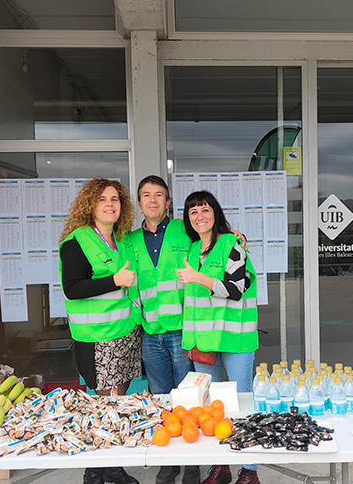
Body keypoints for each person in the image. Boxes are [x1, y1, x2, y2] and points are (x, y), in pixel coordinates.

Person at [59, 178, 142, 484]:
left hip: (124, 333)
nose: (110, 204)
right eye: (102, 200)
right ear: (90, 206)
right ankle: (98, 470)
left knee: (117, 403)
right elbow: (72, 289)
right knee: (103, 405)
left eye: (115, 199)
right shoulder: (77, 242)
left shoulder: (119, 241)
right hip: (97, 338)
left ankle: (107, 466)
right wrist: (114, 280)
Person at [176, 190, 260, 484]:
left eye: (205, 210)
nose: (200, 216)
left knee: (240, 405)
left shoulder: (232, 244)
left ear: (216, 213)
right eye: (193, 212)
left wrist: (198, 277)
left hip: (235, 339)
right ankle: (220, 464)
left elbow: (236, 289)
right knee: (210, 408)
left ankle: (249, 471)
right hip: (204, 342)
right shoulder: (190, 250)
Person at [126, 175, 198, 484]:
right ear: (139, 202)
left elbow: (216, 240)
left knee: (187, 399)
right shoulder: (128, 241)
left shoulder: (187, 231)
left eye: (159, 195)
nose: (152, 200)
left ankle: (193, 461)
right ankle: (168, 461)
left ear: (168, 202)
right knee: (160, 400)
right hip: (150, 334)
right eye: (146, 195)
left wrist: (236, 234)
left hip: (182, 331)